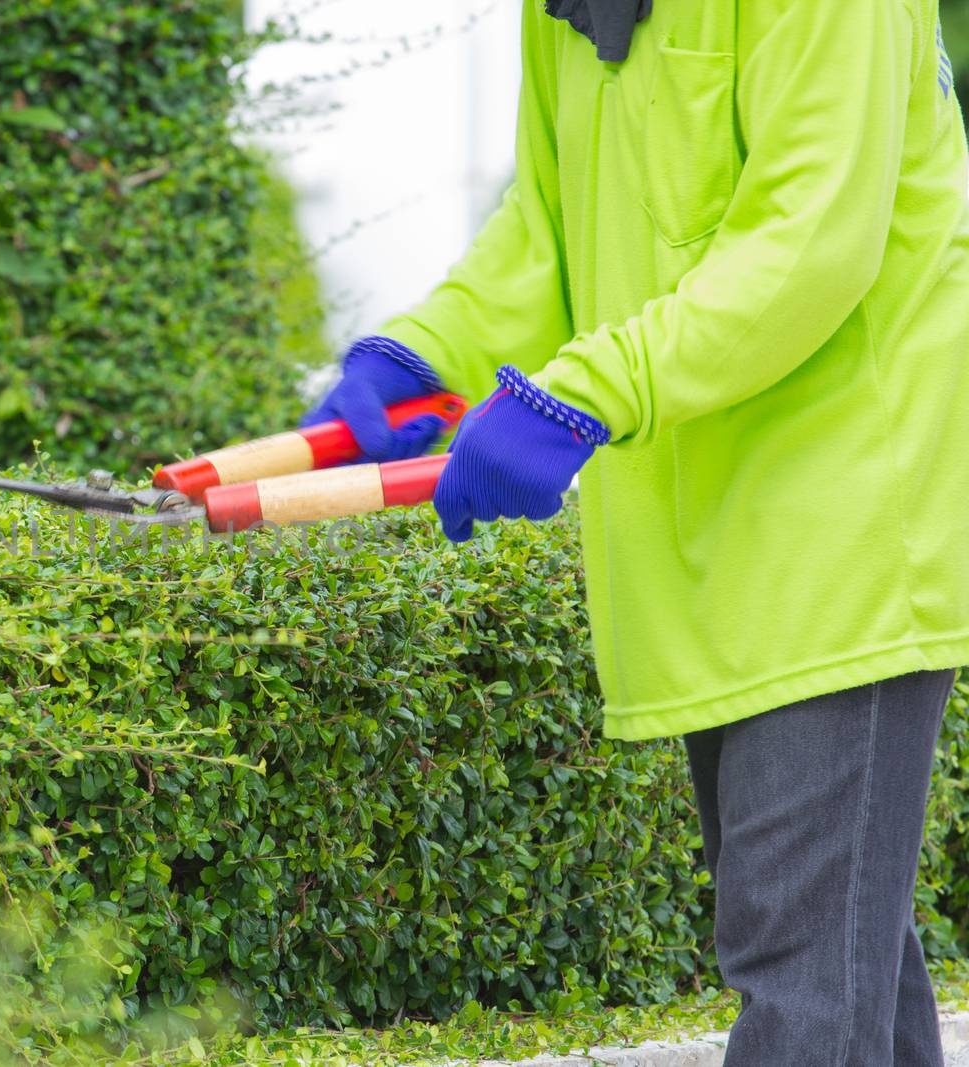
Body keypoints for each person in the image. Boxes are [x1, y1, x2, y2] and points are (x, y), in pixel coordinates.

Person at [302, 0, 969, 1063]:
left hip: (840, 534)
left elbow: (810, 243)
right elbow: (549, 225)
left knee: (801, 978)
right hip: (706, 540)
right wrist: (422, 353)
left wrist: (580, 395)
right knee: (842, 969)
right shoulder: (575, 5)